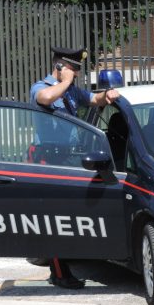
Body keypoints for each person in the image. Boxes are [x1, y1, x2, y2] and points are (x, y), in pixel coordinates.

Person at [29, 46, 120, 289]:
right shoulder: (41, 87)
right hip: (47, 158)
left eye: (77, 70)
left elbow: (91, 99)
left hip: (68, 158)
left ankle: (73, 258)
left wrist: (106, 96)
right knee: (55, 216)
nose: (75, 74)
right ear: (58, 66)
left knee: (71, 214)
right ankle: (59, 272)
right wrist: (66, 82)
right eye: (72, 69)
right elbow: (46, 99)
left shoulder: (70, 91)